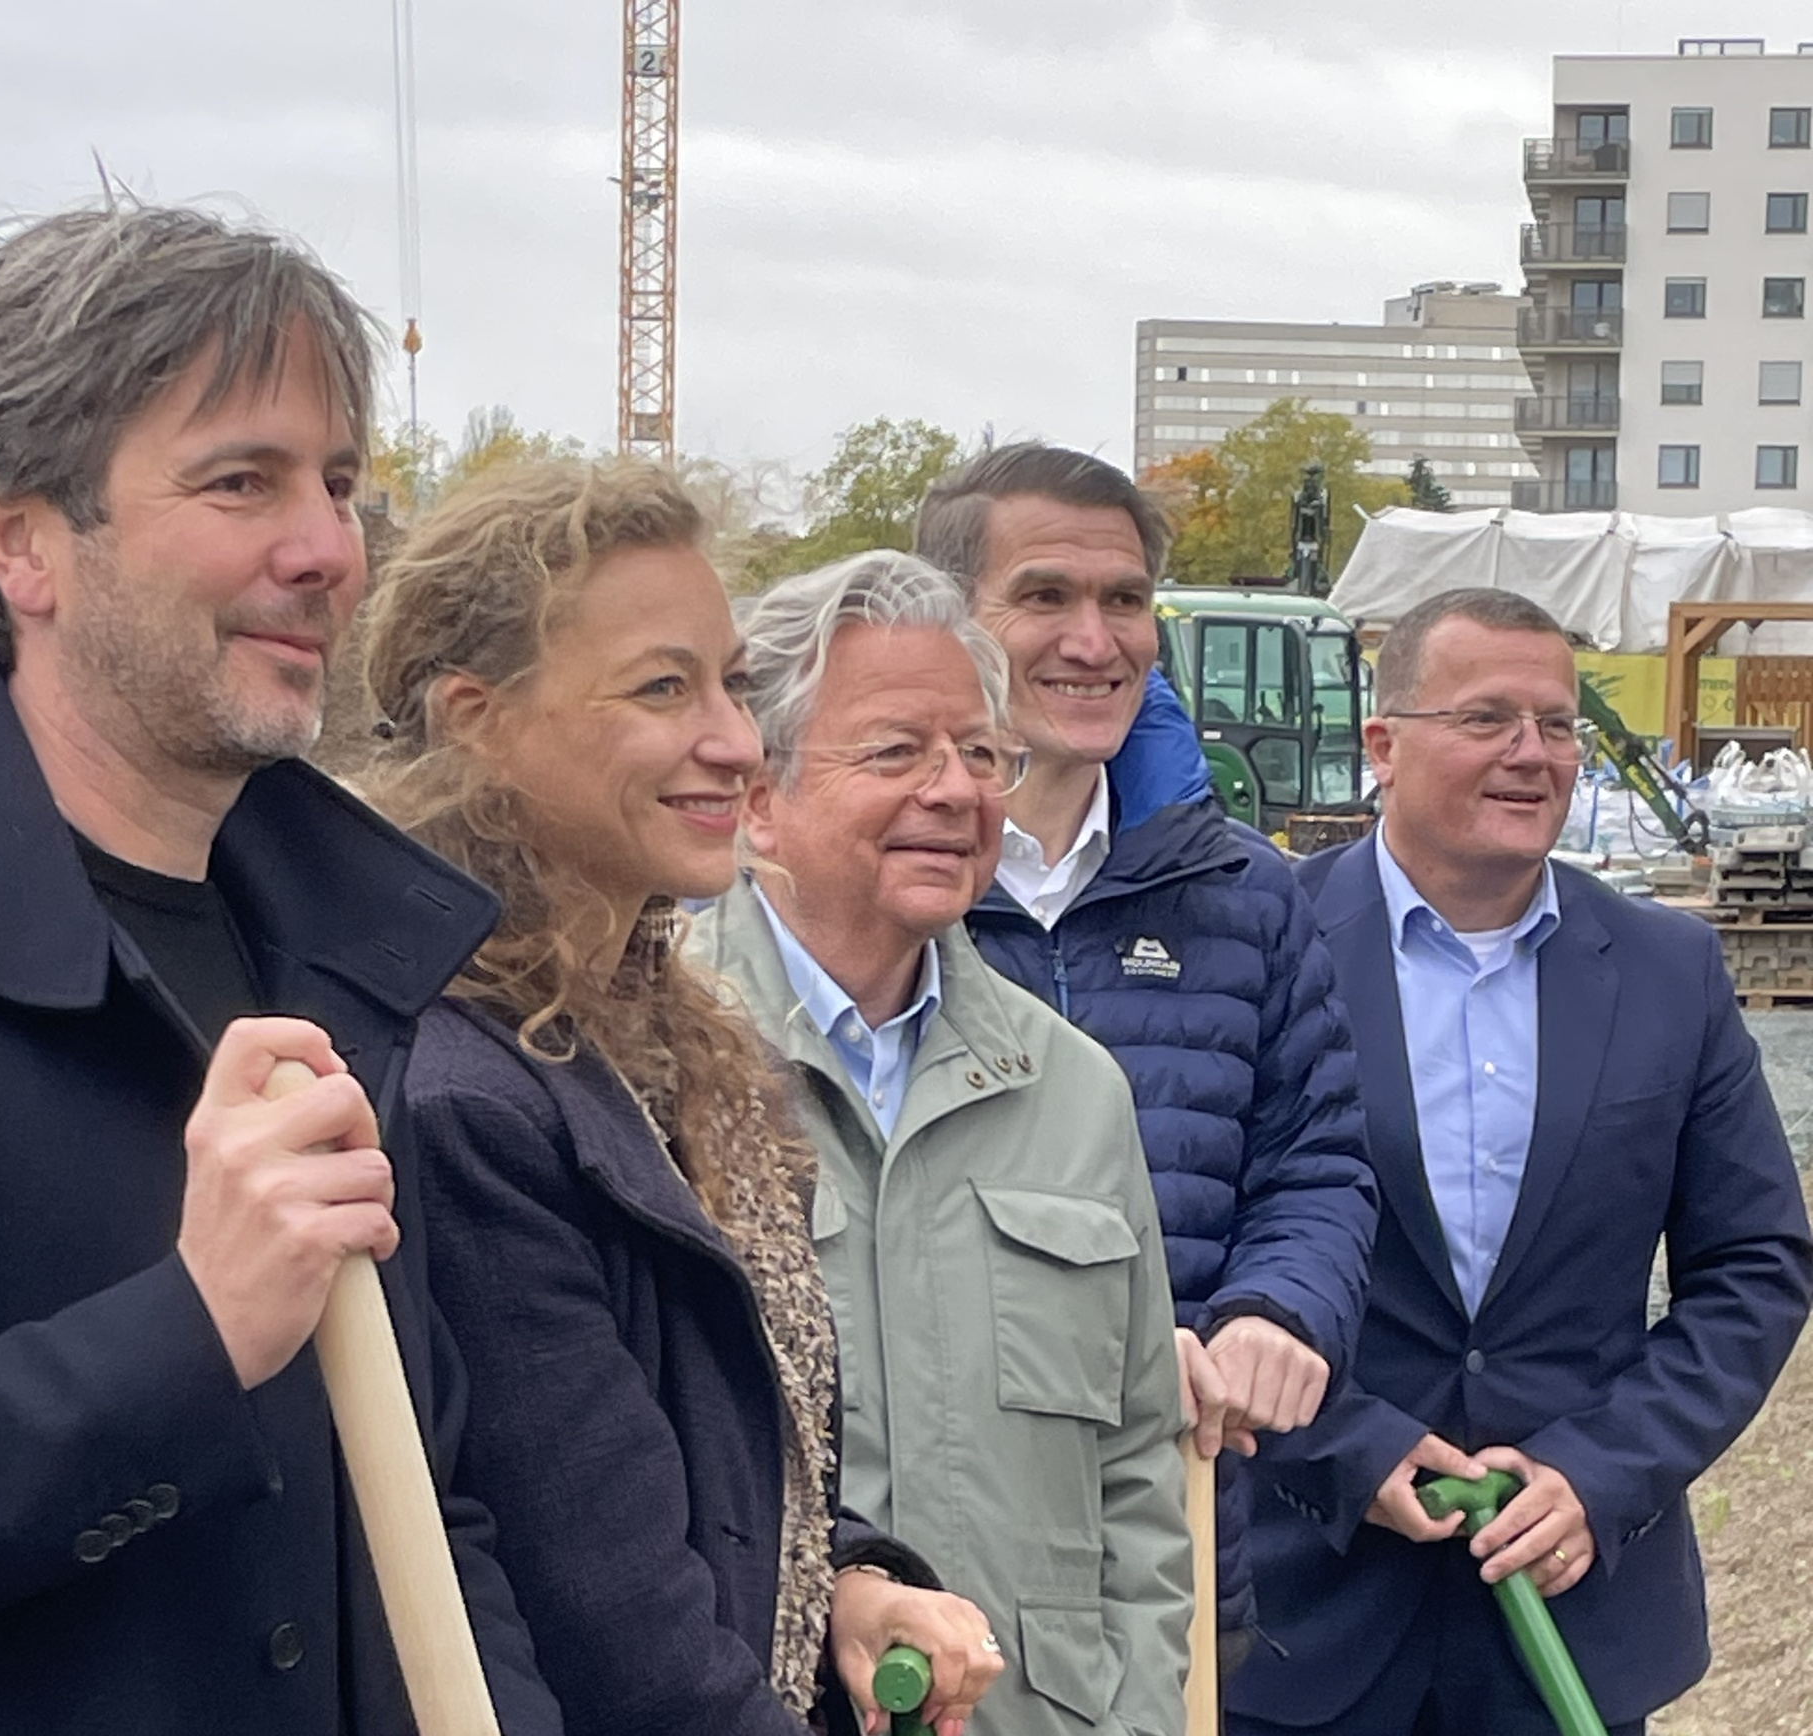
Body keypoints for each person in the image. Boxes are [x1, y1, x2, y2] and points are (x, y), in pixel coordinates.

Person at [0, 203, 558, 1729]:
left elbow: (430, 1508)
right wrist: (184, 1341)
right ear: (21, 539)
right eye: (241, 481)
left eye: (336, 483)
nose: (330, 549)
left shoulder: (348, 956)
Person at [360, 460, 1004, 1736]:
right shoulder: (462, 1099)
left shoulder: (669, 1039)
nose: (732, 737)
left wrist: (850, 1578)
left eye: (732, 683)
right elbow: (622, 1633)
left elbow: (728, 1468)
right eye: (665, 686)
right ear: (477, 718)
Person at [1227, 588, 1813, 1736]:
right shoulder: (1262, 945)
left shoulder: (1669, 969)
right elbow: (1186, 1251)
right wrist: (1351, 1447)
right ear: (1382, 745)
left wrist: (1600, 1471)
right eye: (1487, 717)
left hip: (1568, 1608)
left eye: (1555, 723)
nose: (1530, 753)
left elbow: (1754, 1265)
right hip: (1308, 1612)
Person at [690, 550, 1192, 1736]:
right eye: (896, 749)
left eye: (981, 752)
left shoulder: (1073, 1090)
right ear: (761, 795)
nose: (956, 789)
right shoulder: (654, 1071)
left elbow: (1138, 1476)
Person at [914, 443, 1377, 1665]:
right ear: (951, 619)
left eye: (1125, 600)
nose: (1095, 637)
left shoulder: (1250, 893)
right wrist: (1106, 1347)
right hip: (922, 1544)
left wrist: (1283, 1309)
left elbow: (1318, 1162)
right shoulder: (876, 888)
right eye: (1047, 595)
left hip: (1172, 1538)